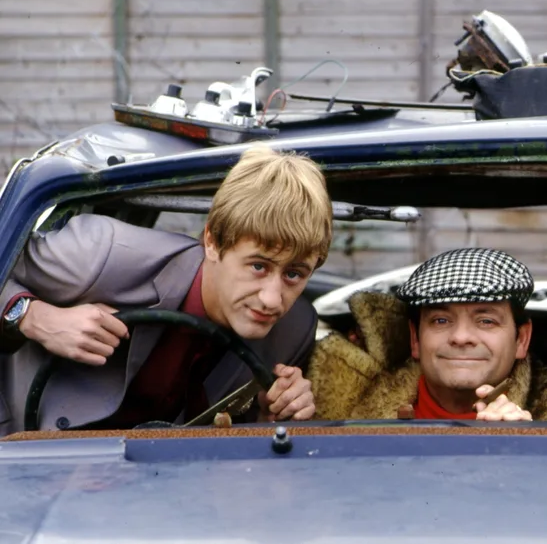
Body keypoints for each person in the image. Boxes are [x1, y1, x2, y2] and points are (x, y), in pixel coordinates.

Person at [0, 145, 333, 435]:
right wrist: (33, 316)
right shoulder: (100, 255)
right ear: (213, 242)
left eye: (294, 274)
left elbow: (240, 456)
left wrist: (272, 417)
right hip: (27, 460)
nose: (272, 299)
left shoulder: (294, 331)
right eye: (258, 266)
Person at [307, 248, 547, 421]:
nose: (461, 337)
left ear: (521, 339)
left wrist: (526, 452)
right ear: (415, 340)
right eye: (441, 320)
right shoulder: (339, 408)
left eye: (485, 321)